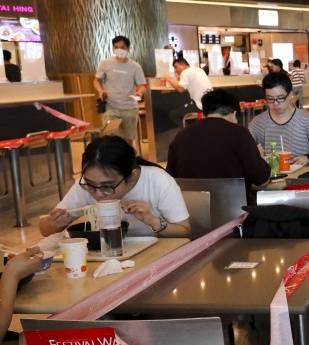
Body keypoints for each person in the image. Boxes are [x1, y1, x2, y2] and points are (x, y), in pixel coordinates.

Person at [41, 135, 191, 238]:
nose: (98, 194)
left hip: (155, 257)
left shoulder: (158, 181)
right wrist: (55, 223)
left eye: (107, 186)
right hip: (107, 256)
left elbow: (184, 230)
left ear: (131, 175)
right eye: (91, 185)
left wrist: (152, 220)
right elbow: (44, 228)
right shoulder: (86, 185)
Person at [166, 89, 271, 200]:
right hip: (235, 212)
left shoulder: (181, 135)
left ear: (205, 113)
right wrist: (259, 157)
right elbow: (262, 180)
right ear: (234, 114)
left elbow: (169, 179)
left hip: (190, 212)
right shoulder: (239, 133)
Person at [249, 72, 309, 169]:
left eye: (280, 98)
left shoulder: (306, 120)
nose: (275, 103)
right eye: (270, 99)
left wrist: (308, 158)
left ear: (290, 94)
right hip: (273, 177)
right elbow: (245, 150)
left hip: (301, 177)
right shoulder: (258, 123)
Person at [94, 35, 146, 144]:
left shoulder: (135, 66)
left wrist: (140, 92)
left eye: (122, 48)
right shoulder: (105, 63)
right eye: (116, 47)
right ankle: (113, 160)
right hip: (111, 106)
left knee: (128, 142)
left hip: (130, 108)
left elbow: (143, 85)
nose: (119, 50)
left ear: (128, 49)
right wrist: (100, 91)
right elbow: (96, 80)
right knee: (111, 139)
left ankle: (126, 160)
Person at [163, 57, 213, 128]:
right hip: (211, 103)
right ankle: (194, 131)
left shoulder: (185, 72)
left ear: (183, 65)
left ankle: (189, 133)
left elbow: (180, 89)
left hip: (200, 105)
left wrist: (169, 79)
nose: (175, 70)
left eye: (176, 67)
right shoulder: (199, 70)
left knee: (173, 115)